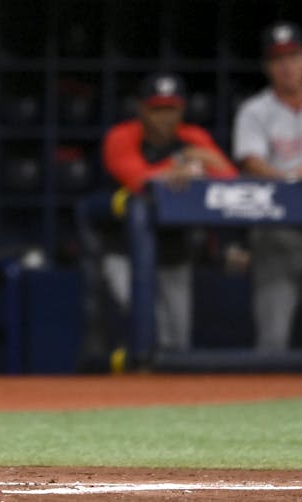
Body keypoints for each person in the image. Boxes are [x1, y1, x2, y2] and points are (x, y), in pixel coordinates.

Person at [102, 71, 237, 353]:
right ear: (141, 109)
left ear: (182, 109)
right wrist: (180, 162)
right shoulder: (121, 136)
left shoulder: (194, 137)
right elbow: (139, 180)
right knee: (149, 331)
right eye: (156, 109)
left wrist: (201, 162)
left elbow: (231, 184)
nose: (164, 117)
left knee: (177, 343)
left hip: (175, 252)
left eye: (171, 109)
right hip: (125, 253)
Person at [232, 21, 302, 352]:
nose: (287, 65)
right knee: (273, 341)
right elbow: (251, 162)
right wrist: (290, 179)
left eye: (294, 55)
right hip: (277, 230)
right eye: (278, 59)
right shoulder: (255, 110)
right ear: (267, 67)